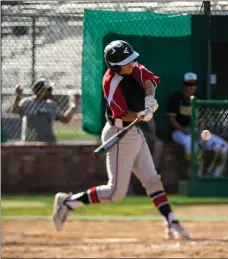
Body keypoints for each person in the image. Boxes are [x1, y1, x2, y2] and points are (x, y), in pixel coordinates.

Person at [52, 40, 190, 240]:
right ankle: (67, 202)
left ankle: (171, 221)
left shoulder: (134, 68)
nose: (132, 63)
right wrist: (140, 114)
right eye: (126, 62)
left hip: (135, 134)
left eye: (132, 59)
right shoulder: (111, 83)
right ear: (115, 66)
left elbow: (149, 81)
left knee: (152, 180)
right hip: (119, 133)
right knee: (115, 193)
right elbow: (121, 115)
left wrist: (150, 100)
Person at [166, 72, 228, 178]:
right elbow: (171, 120)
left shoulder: (198, 99)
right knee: (192, 145)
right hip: (179, 132)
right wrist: (183, 129)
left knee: (223, 146)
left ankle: (215, 176)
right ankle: (193, 176)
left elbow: (201, 121)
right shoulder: (176, 98)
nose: (191, 87)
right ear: (184, 84)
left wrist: (200, 131)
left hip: (196, 131)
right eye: (188, 84)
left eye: (193, 84)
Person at [11, 79, 80, 143]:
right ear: (40, 90)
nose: (51, 92)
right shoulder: (27, 102)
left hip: (48, 142)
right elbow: (14, 111)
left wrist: (74, 105)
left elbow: (65, 119)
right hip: (31, 142)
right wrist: (18, 96)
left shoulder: (51, 104)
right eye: (49, 90)